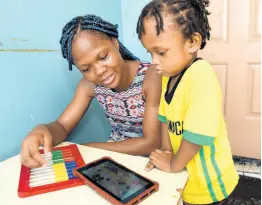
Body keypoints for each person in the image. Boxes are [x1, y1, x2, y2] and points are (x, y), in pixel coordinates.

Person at [20, 14, 162, 168]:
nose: (99, 70)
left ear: (115, 43)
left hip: (154, 161)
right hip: (114, 160)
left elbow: (151, 142)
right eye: (86, 69)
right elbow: (62, 126)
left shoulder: (151, 76)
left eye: (103, 57)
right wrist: (43, 131)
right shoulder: (89, 85)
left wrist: (87, 149)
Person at [136, 0, 239, 205]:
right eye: (150, 53)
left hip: (211, 187)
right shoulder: (168, 76)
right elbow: (164, 118)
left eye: (161, 52)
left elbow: (197, 136)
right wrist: (167, 151)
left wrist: (173, 164)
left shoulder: (201, 76)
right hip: (187, 181)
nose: (154, 61)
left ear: (192, 42)